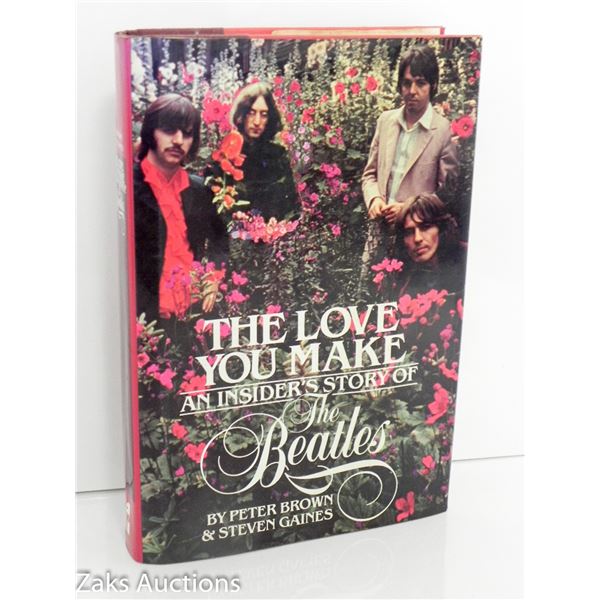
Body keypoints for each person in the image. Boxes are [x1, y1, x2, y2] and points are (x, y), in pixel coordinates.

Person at [361, 44, 459, 275]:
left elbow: (447, 194)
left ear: (432, 85)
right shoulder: (386, 121)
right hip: (378, 234)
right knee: (368, 290)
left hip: (415, 238)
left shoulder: (443, 130)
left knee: (406, 292)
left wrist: (407, 209)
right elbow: (369, 174)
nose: (412, 90)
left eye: (420, 83)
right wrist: (374, 199)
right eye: (406, 83)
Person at [134, 93, 228, 323]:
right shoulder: (129, 186)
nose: (178, 140)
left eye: (187, 133)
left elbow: (220, 236)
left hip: (192, 314)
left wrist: (213, 275)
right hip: (144, 321)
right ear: (151, 132)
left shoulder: (198, 189)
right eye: (169, 130)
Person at [229, 82, 298, 220]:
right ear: (241, 115)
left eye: (264, 114)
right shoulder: (228, 155)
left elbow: (291, 205)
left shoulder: (278, 155)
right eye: (251, 113)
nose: (257, 121)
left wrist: (281, 221)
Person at [395, 193, 465, 295]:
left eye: (425, 227)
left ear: (441, 228)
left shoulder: (469, 260)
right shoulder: (407, 286)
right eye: (409, 232)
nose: (417, 238)